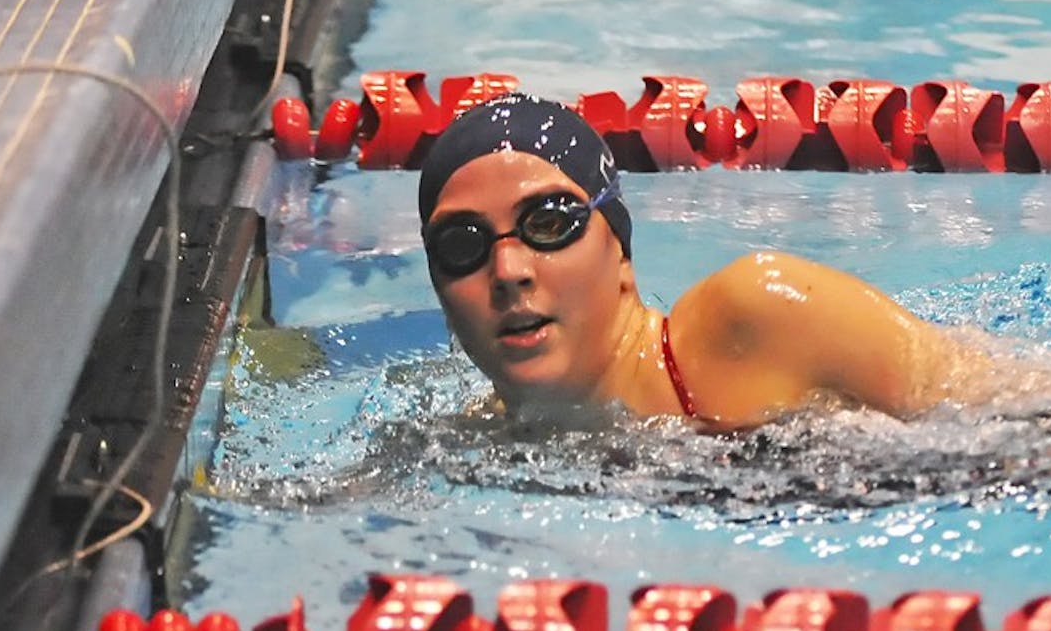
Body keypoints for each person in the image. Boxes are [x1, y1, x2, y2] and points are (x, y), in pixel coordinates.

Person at [419, 92, 1001, 430]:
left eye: (548, 223)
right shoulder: (472, 442)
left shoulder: (758, 315)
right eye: (463, 245)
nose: (508, 271)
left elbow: (1033, 412)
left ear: (620, 253)